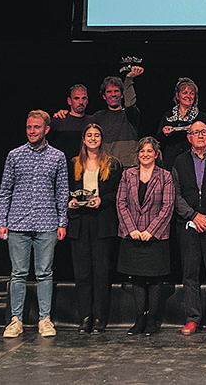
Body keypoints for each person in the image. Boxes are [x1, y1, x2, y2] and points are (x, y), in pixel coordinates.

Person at [0, 110, 68, 338]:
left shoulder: (57, 157)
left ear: (47, 129)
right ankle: (15, 320)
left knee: (44, 273)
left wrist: (62, 222)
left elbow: (62, 192)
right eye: (29, 127)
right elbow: (5, 190)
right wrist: (2, 221)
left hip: (47, 223)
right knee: (18, 273)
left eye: (36, 127)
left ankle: (44, 320)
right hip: (18, 223)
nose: (32, 131)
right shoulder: (14, 155)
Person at [171, 121, 206, 335]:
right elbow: (175, 194)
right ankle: (192, 318)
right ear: (189, 137)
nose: (200, 135)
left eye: (204, 132)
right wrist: (194, 215)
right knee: (190, 272)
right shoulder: (180, 161)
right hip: (188, 224)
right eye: (196, 132)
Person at [67, 123, 122, 333]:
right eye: (89, 135)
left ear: (101, 139)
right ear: (83, 139)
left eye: (96, 135)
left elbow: (118, 193)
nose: (92, 138)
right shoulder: (73, 163)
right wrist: (71, 202)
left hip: (102, 222)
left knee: (101, 273)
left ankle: (99, 317)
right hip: (80, 223)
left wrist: (102, 200)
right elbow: (66, 190)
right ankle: (85, 316)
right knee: (82, 273)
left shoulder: (112, 164)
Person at [117, 137, 175, 336]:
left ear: (156, 154)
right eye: (142, 151)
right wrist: (131, 229)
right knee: (137, 278)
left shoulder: (165, 176)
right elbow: (121, 203)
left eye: (149, 151)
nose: (145, 154)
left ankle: (152, 320)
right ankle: (140, 318)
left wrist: (151, 231)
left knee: (155, 278)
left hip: (156, 236)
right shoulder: (127, 174)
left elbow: (167, 206)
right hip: (132, 235)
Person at [93, 67, 144, 167]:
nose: (113, 95)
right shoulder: (98, 116)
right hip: (106, 166)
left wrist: (128, 79)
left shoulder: (131, 114)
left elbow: (130, 104)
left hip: (129, 166)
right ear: (104, 96)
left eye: (116, 91)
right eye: (109, 91)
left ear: (122, 94)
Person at [157, 77, 206, 170]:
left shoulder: (201, 117)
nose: (188, 96)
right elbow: (158, 141)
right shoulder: (168, 116)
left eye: (192, 93)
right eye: (185, 93)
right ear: (177, 96)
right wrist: (163, 133)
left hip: (195, 162)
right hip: (171, 162)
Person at [48, 84, 95, 160]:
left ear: (87, 100)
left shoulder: (92, 121)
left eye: (84, 98)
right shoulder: (59, 120)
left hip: (86, 164)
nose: (81, 102)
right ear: (69, 101)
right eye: (76, 98)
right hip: (62, 165)